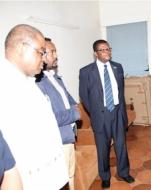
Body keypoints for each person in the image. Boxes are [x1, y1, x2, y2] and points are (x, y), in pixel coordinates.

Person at [0, 24, 68, 190]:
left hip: (55, 176)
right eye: (41, 52)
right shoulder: (5, 86)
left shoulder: (29, 81)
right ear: (23, 48)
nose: (44, 58)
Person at [79, 39, 134, 189]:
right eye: (102, 50)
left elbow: (120, 92)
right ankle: (105, 176)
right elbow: (84, 96)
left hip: (117, 112)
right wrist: (97, 112)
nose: (107, 52)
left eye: (108, 49)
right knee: (102, 148)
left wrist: (121, 111)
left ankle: (124, 172)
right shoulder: (86, 72)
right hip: (101, 115)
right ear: (95, 53)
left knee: (121, 145)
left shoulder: (118, 67)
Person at [36, 38, 81, 190]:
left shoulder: (55, 77)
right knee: (61, 182)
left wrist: (74, 108)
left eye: (56, 51)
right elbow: (48, 119)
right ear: (41, 55)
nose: (56, 55)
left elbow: (69, 99)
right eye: (52, 52)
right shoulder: (36, 84)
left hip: (69, 136)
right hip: (57, 141)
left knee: (70, 176)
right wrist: (74, 114)